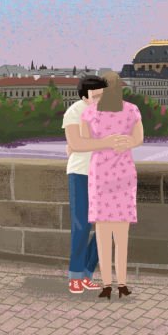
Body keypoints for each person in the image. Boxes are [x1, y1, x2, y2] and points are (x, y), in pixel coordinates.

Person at [77, 71, 143, 299]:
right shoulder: (132, 110)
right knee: (122, 236)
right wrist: (127, 142)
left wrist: (103, 143)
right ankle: (122, 283)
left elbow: (84, 142)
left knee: (103, 235)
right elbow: (139, 139)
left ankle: (106, 285)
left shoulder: (89, 113)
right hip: (124, 174)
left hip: (100, 175)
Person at [62, 74, 113, 293]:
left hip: (104, 174)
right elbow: (75, 143)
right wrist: (103, 143)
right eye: (96, 95)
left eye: (103, 95)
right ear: (84, 96)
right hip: (81, 173)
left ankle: (86, 272)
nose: (101, 99)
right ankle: (75, 275)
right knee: (81, 225)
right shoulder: (74, 112)